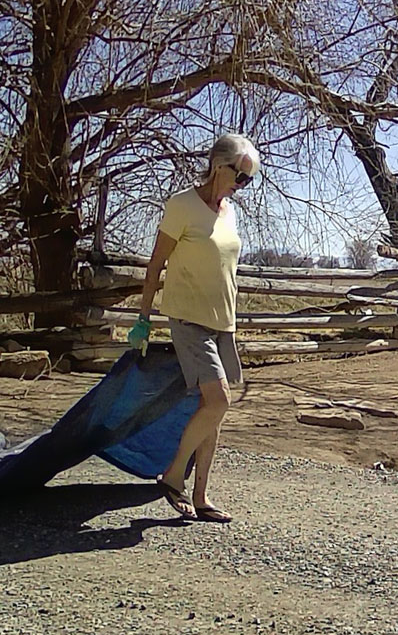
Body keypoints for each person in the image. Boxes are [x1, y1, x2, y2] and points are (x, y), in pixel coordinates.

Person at [128, 133, 260, 523]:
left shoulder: (228, 212)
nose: (242, 186)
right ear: (220, 166)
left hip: (223, 323)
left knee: (213, 411)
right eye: (241, 177)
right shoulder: (182, 205)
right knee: (219, 401)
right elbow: (155, 266)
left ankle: (201, 495)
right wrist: (143, 319)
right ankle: (173, 476)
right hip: (189, 320)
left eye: (248, 180)